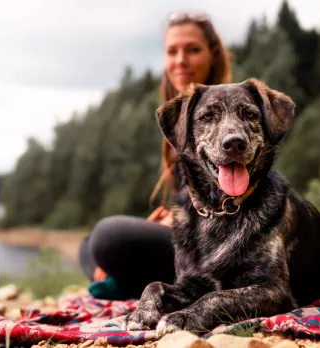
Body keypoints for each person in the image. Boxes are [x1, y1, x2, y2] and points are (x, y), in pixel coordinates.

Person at [78, 11, 232, 300]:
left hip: (218, 240)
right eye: (172, 51)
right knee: (87, 244)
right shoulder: (178, 117)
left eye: (192, 50)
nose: (180, 60)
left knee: (107, 237)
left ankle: (123, 286)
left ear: (213, 55)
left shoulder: (225, 113)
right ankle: (131, 283)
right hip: (187, 234)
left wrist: (175, 221)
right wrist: (164, 222)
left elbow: (233, 200)